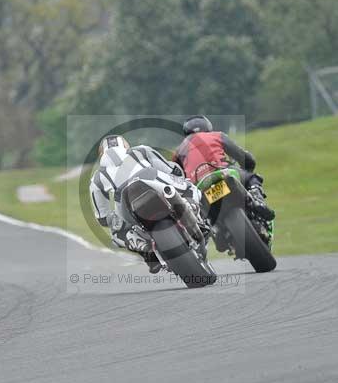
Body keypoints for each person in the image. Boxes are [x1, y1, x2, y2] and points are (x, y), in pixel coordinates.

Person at [90, 135, 206, 273]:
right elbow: (169, 169)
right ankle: (193, 213)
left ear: (101, 154)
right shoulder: (142, 150)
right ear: (126, 145)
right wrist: (177, 175)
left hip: (123, 199)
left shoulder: (97, 178)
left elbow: (103, 218)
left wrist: (115, 221)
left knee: (116, 233)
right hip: (152, 178)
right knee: (189, 187)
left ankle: (146, 252)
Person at [173, 116, 275, 221]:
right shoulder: (217, 136)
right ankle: (258, 201)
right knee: (252, 178)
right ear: (207, 126)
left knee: (203, 220)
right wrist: (248, 166)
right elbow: (241, 155)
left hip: (199, 189)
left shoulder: (178, 151)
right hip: (222, 173)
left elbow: (176, 176)